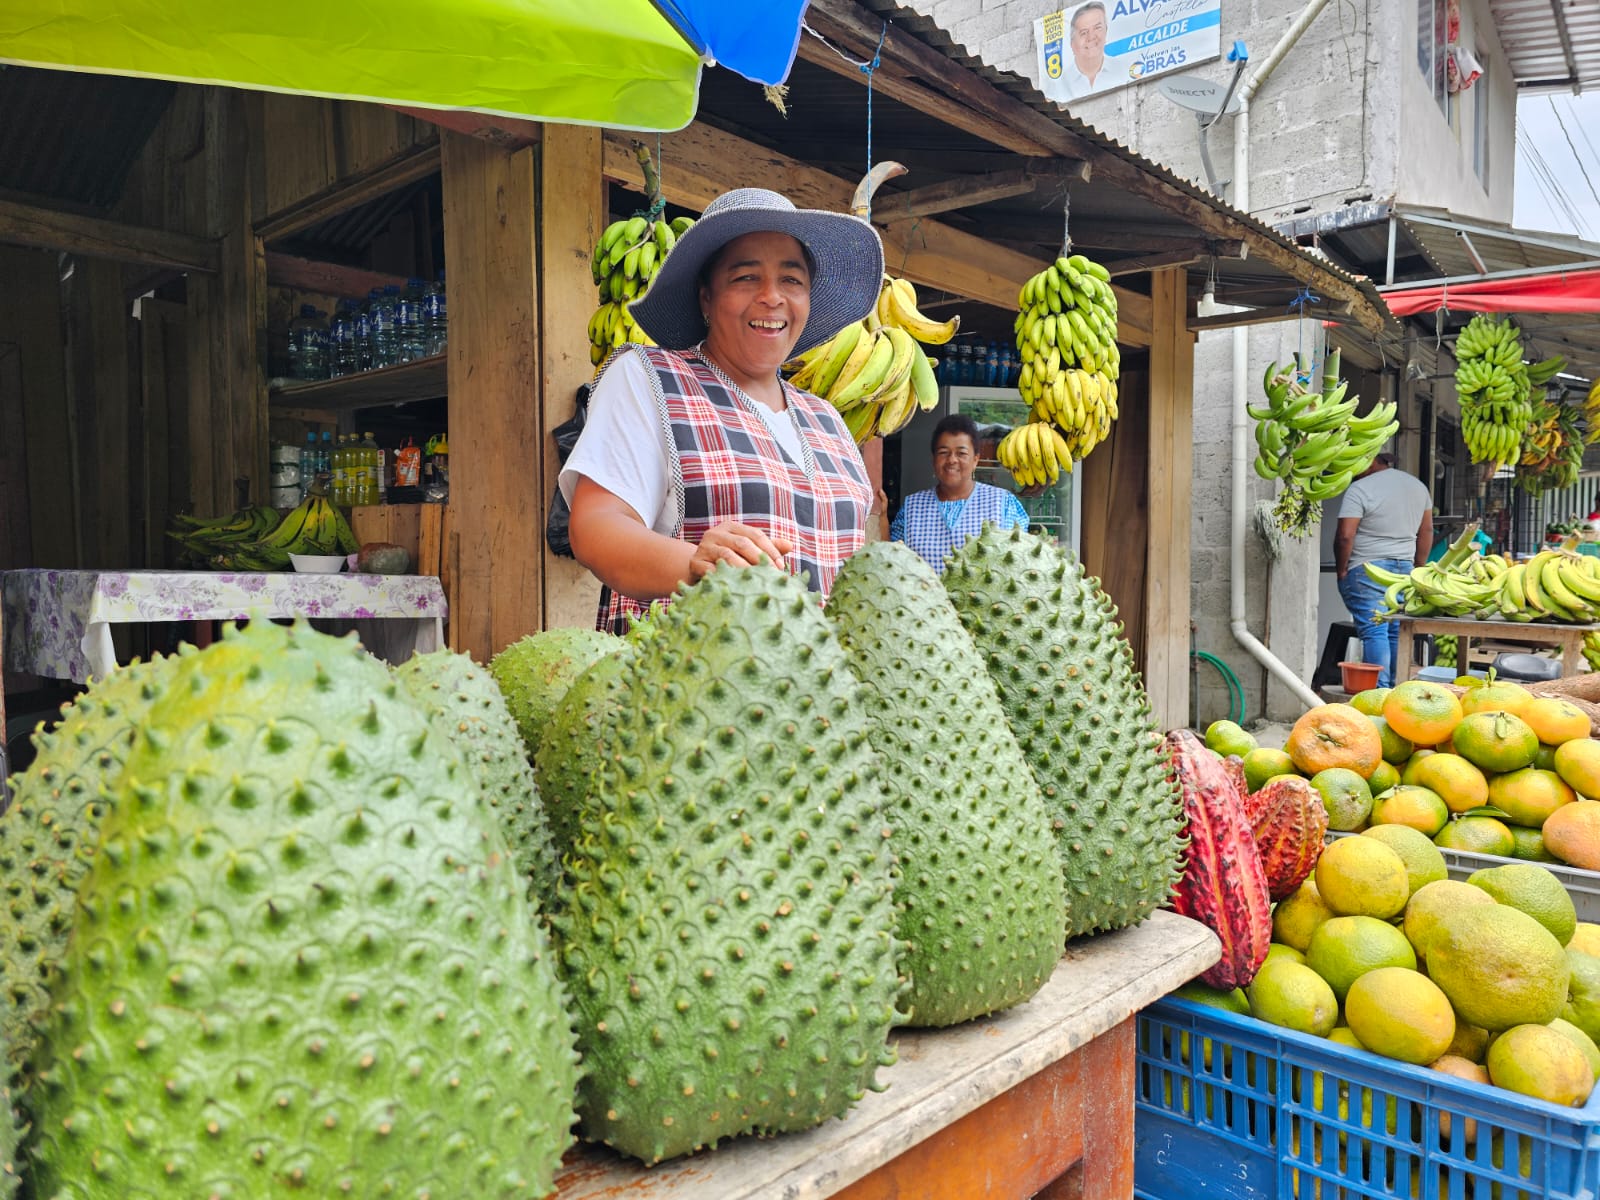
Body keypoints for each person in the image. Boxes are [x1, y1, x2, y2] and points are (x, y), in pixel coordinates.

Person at [561, 187, 883, 633]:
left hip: (824, 693)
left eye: (792, 280)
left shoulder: (827, 419)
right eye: (745, 277)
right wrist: (693, 562)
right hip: (689, 687)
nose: (772, 297)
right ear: (706, 297)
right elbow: (596, 529)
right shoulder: (650, 377)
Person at [1334, 453, 1433, 688]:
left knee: (1374, 630)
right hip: (1404, 568)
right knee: (1395, 630)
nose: (1353, 469)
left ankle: (1380, 691)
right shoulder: (1417, 487)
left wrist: (1341, 570)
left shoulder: (1359, 489)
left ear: (1369, 460)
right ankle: (1395, 689)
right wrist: (1418, 566)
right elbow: (1427, 530)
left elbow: (1345, 536)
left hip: (1367, 567)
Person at [891, 414, 1029, 572]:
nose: (952, 460)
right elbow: (895, 560)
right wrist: (881, 517)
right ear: (933, 459)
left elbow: (1018, 562)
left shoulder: (1002, 503)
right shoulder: (912, 506)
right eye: (943, 452)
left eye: (961, 453)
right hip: (926, 596)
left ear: (975, 460)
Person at [1063, 2, 1109, 98]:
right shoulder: (1061, 83)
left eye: (1097, 28)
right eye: (1084, 33)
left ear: (1106, 32)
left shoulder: (1121, 69)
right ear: (1072, 44)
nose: (1091, 37)